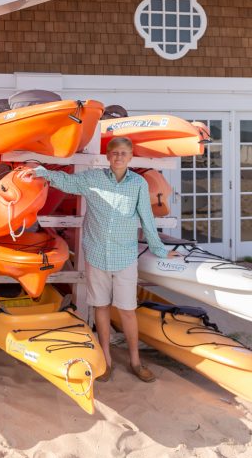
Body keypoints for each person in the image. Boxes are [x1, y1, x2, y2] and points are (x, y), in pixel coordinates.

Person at [31, 136, 179, 383]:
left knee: (128, 310)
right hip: (97, 253)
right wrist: (42, 172)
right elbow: (67, 181)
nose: (119, 156)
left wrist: (161, 250)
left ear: (130, 157)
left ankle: (135, 361)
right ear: (108, 157)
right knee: (100, 307)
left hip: (125, 256)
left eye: (123, 153)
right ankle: (107, 361)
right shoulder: (92, 179)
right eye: (114, 153)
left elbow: (147, 219)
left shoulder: (139, 184)